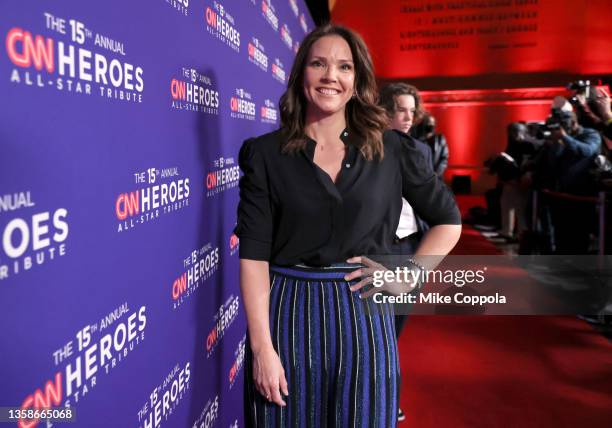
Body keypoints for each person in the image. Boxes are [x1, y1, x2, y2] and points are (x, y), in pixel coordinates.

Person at [235, 24, 462, 428]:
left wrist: (409, 276)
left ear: (357, 81)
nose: (330, 76)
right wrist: (262, 349)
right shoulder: (265, 155)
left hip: (364, 314)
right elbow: (253, 256)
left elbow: (449, 221)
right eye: (318, 64)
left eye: (344, 67)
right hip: (288, 313)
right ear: (300, 73)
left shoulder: (392, 149)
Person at [378, 82, 431, 422]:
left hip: (411, 248)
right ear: (384, 111)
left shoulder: (422, 151)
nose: (409, 117)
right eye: (401, 110)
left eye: (413, 111)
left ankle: (387, 395)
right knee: (376, 335)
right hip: (377, 249)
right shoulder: (361, 146)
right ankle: (380, 399)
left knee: (394, 332)